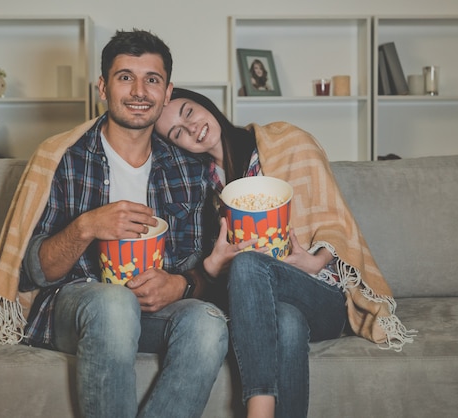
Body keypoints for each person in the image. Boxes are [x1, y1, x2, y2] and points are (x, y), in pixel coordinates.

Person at [0, 32, 228, 418]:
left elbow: (203, 266)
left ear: (167, 92)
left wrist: (180, 284)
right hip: (78, 308)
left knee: (209, 323)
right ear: (103, 87)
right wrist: (86, 227)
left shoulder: (187, 170)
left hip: (154, 313)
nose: (139, 91)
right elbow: (33, 273)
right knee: (114, 303)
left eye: (152, 79)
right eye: (125, 77)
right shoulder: (63, 157)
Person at [155, 88, 416, 418]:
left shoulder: (286, 141)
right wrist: (212, 267)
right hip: (268, 306)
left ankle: (258, 411)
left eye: (188, 112)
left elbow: (335, 218)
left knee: (250, 263)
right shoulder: (198, 185)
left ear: (205, 104)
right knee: (287, 323)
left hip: (319, 292)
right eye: (177, 132)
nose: (190, 129)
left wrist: (315, 260)